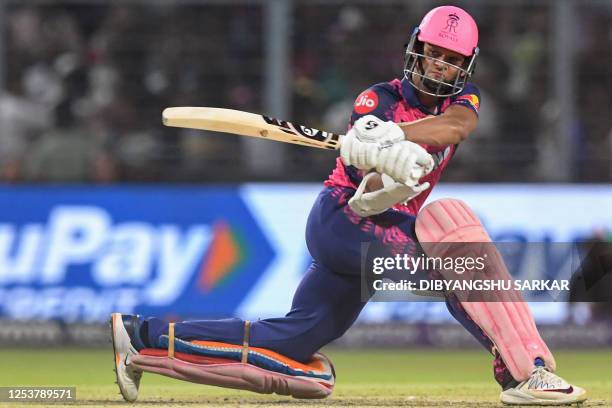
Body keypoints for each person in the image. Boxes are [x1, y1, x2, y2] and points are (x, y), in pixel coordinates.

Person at [111, 6, 586, 405]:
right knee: (455, 245)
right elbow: (369, 187)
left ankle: (142, 337)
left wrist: (398, 138)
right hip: (347, 221)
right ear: (416, 50)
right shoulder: (377, 100)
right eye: (433, 54)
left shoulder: (463, 101)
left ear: (465, 66)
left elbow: (455, 128)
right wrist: (375, 155)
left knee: (295, 346)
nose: (439, 65)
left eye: (451, 59)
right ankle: (527, 371)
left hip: (391, 225)